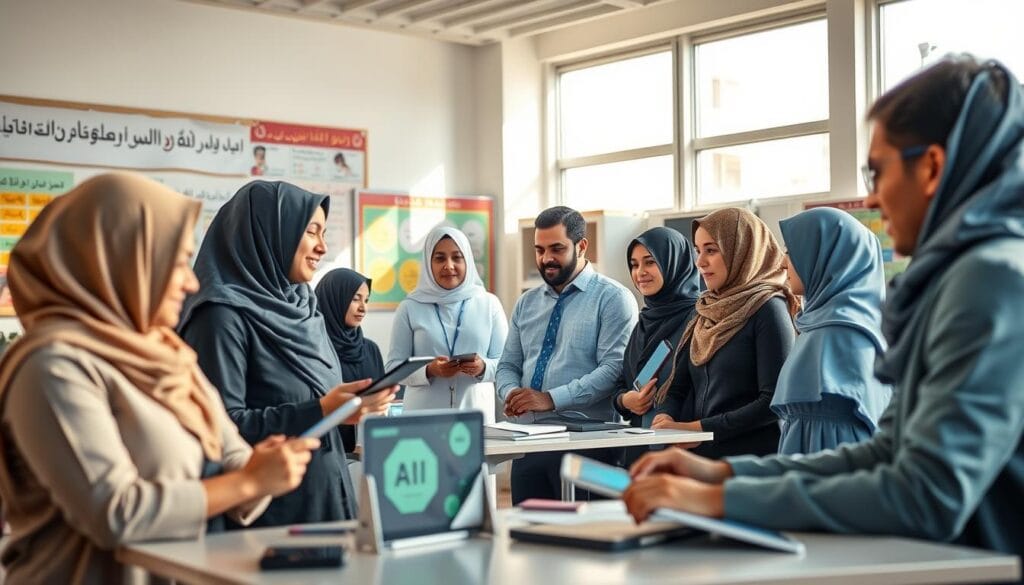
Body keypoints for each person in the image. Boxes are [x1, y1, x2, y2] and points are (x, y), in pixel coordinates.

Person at [622, 56, 1024, 562]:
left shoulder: (990, 279)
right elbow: (887, 453)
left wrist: (721, 499)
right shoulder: (962, 275)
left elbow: (927, 492)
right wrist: (725, 473)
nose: (873, 197)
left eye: (877, 171)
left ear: (932, 167)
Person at [0, 173, 318, 584]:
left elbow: (230, 453)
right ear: (119, 259)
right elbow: (116, 513)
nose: (191, 282)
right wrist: (248, 481)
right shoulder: (52, 366)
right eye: (178, 261)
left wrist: (262, 469)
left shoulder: (170, 355)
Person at [178, 180, 395, 528]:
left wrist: (346, 409)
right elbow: (222, 427)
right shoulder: (220, 315)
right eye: (312, 231)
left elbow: (316, 401)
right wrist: (322, 409)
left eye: (324, 233)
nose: (322, 247)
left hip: (329, 496)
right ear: (269, 231)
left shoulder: (305, 306)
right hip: (269, 516)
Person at [496, 206, 637, 503]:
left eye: (557, 248)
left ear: (581, 245)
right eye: (540, 249)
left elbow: (613, 369)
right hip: (529, 444)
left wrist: (550, 399)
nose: (546, 258)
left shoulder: (614, 298)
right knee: (528, 540)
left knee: (588, 541)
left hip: (589, 445)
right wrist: (511, 394)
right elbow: (508, 364)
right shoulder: (527, 302)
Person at [651, 207, 798, 459]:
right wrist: (666, 415)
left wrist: (697, 430)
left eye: (711, 250)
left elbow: (772, 402)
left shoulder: (769, 309)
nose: (700, 262)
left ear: (741, 251)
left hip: (752, 460)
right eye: (698, 251)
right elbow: (677, 387)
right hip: (704, 455)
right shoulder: (705, 309)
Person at [773, 207, 892, 455]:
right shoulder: (835, 327)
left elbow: (830, 445)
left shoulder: (837, 336)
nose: (784, 262)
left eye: (791, 251)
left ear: (824, 255)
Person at [386, 226, 507, 423]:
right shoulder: (410, 307)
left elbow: (505, 364)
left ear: (467, 260)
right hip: (422, 420)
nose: (449, 266)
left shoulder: (488, 303)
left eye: (457, 257)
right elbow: (393, 368)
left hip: (475, 417)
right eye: (440, 258)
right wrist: (429, 370)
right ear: (428, 263)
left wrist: (483, 367)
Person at [611, 227, 701, 465]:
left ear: (674, 262)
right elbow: (622, 383)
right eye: (634, 264)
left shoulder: (699, 317)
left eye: (649, 262)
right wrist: (625, 401)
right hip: (640, 446)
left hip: (684, 449)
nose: (640, 272)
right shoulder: (645, 321)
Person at [314, 268, 385, 452]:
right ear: (334, 299)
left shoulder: (370, 349)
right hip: (326, 453)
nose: (363, 308)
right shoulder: (314, 351)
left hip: (371, 451)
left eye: (366, 300)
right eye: (355, 299)